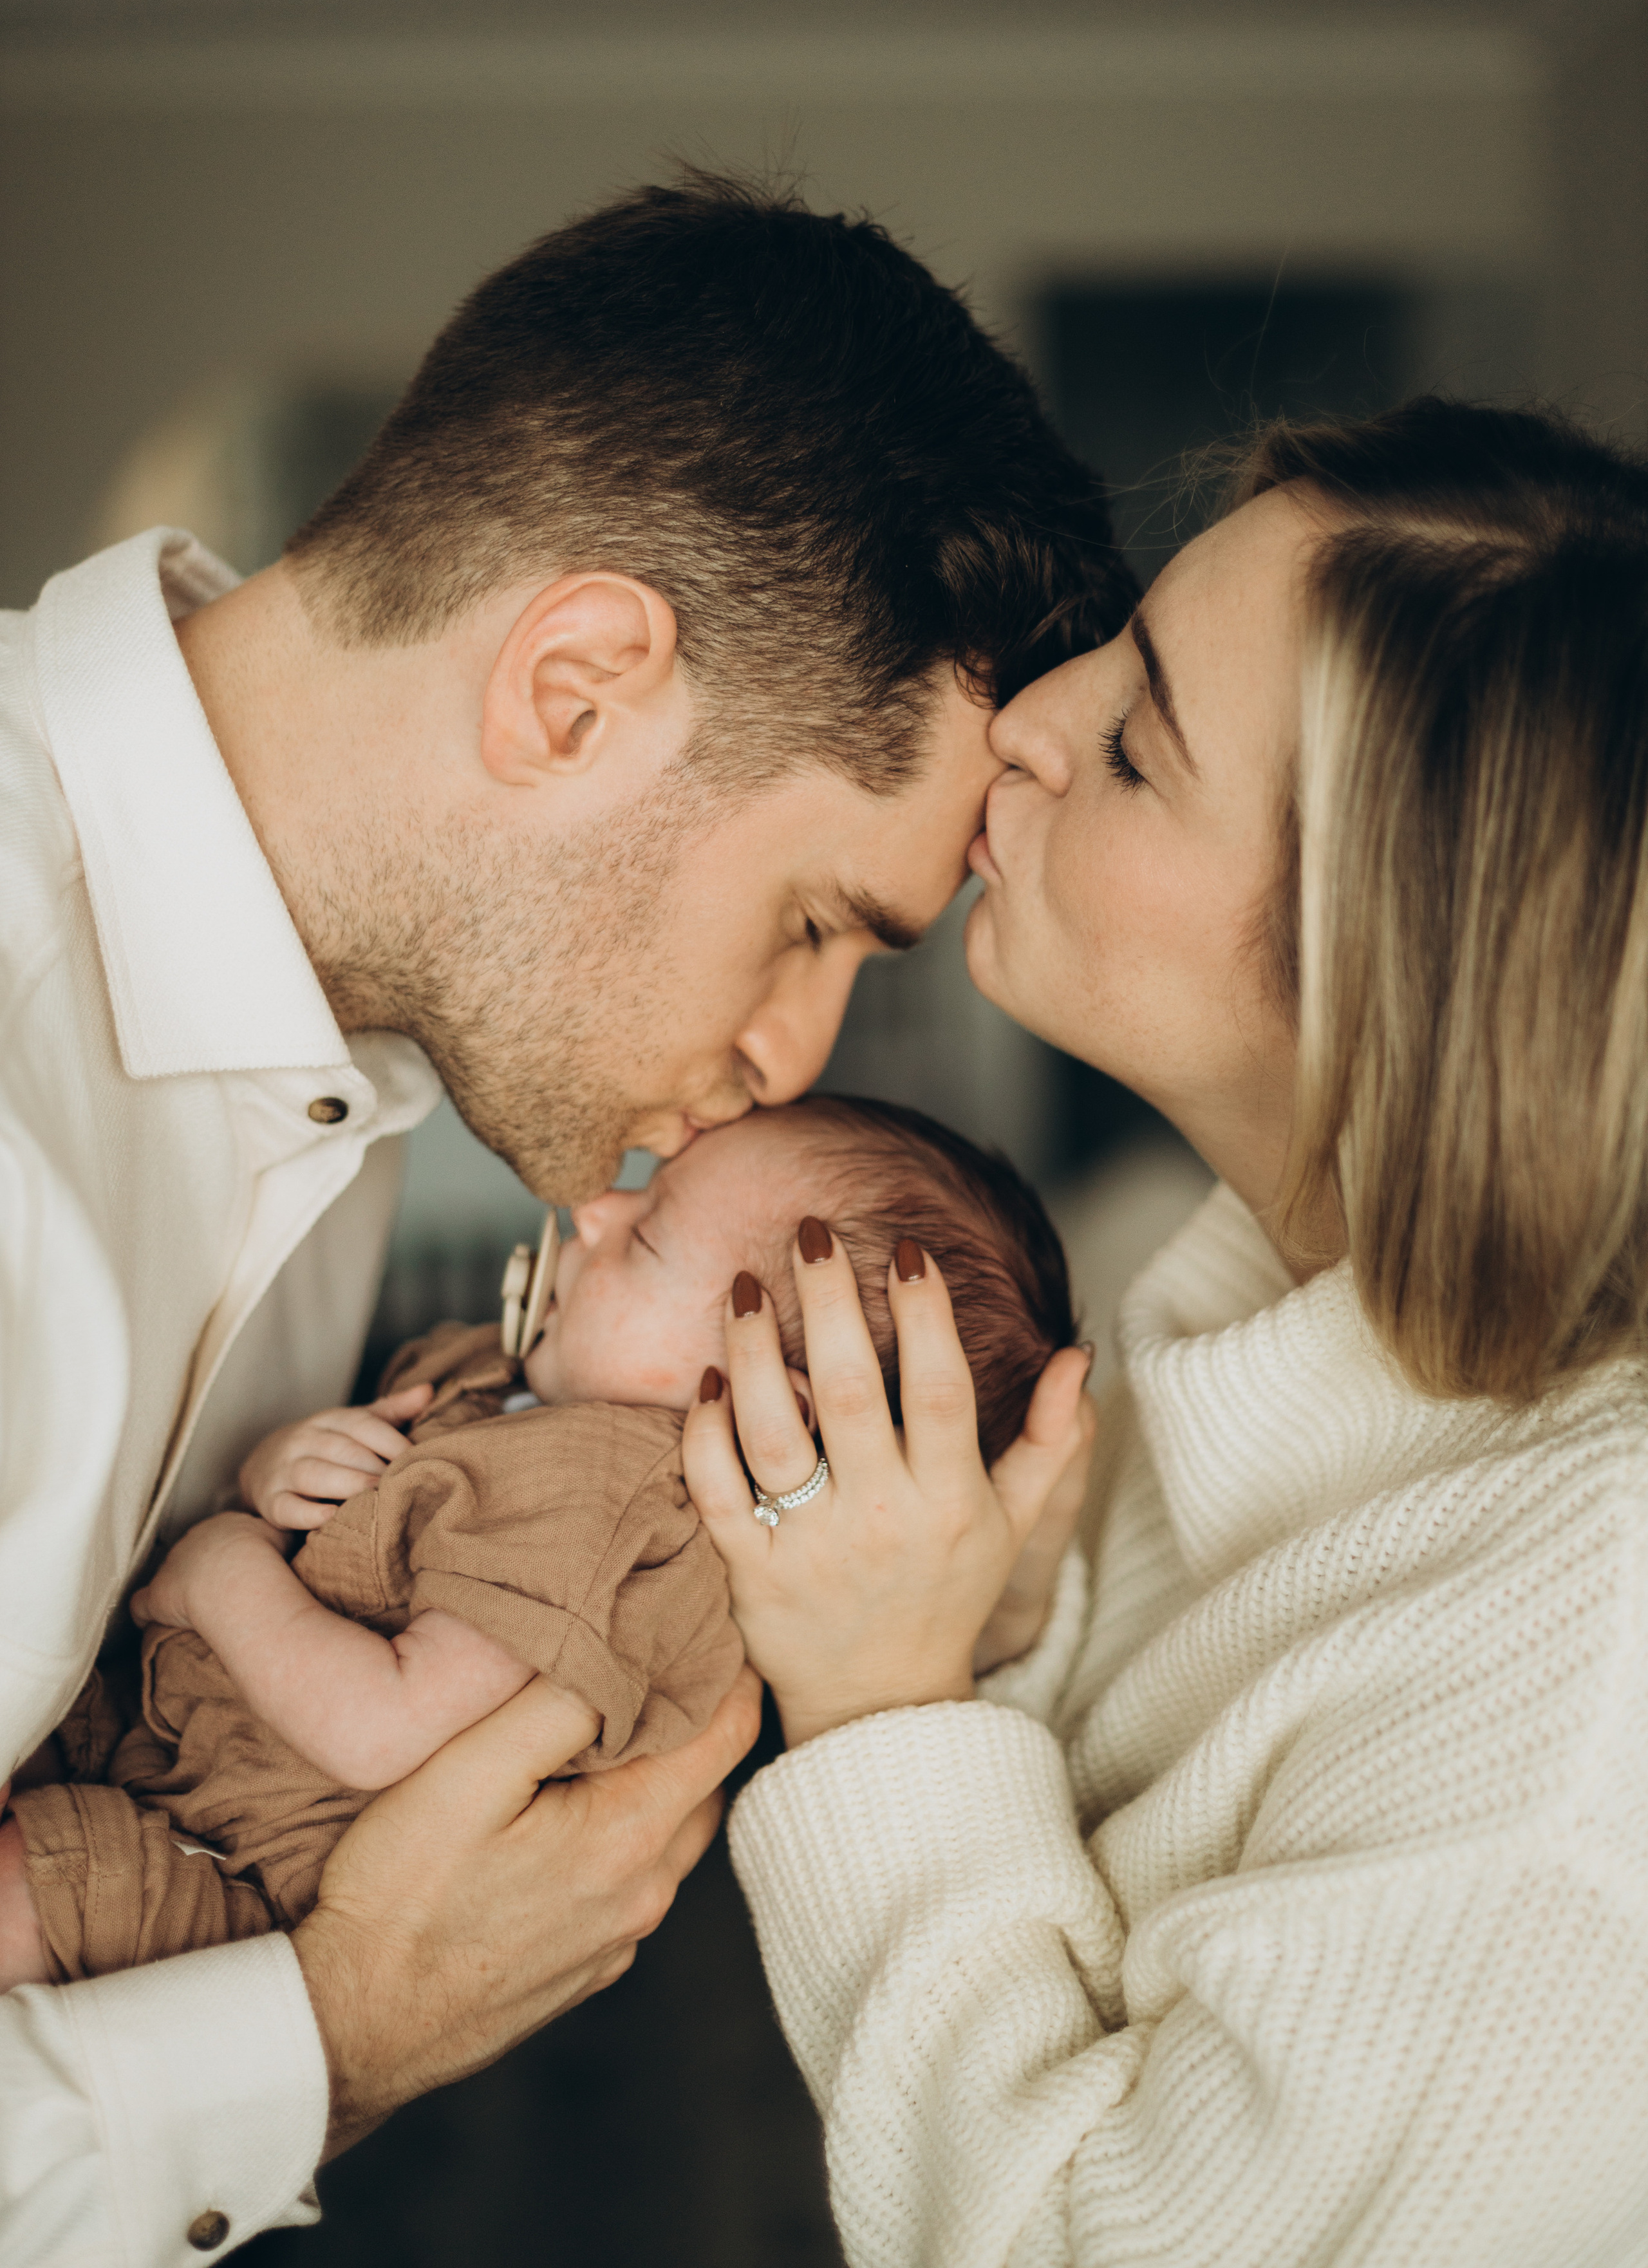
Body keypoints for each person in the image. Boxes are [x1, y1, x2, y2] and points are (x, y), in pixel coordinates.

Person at [0, 171, 1123, 2260]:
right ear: (578, 688)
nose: (794, 1062)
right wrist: (327, 2037)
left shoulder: (341, 1102)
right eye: (813, 921)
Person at [684, 398, 1648, 2266]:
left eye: (1135, 745)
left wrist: (886, 1708)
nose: (1024, 722)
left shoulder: (1572, 1760)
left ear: (1390, 967)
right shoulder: (1213, 1328)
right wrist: (998, 1628)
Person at [0, 1094, 1075, 1987]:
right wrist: (286, 1466)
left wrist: (224, 1569)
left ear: (768, 1411)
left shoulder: (608, 1510)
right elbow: (377, 1514)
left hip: (216, 1863)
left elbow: (385, 1726)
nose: (595, 1209)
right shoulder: (534, 1387)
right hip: (158, 1738)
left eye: (648, 1230)